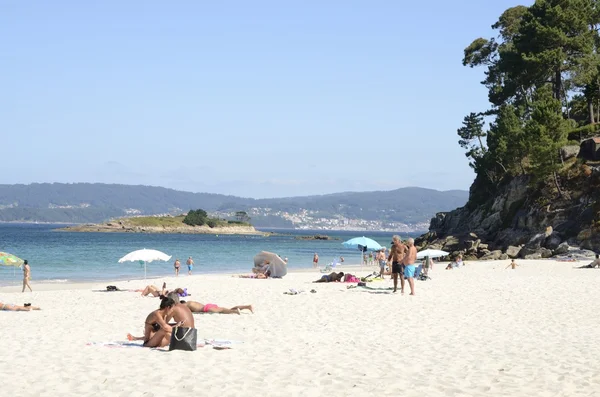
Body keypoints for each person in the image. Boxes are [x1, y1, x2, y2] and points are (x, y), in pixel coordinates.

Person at [182, 300, 254, 315]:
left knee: (223, 310)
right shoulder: (192, 302)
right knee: (228, 309)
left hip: (206, 308)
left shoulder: (187, 304)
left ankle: (235, 312)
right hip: (208, 305)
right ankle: (247, 307)